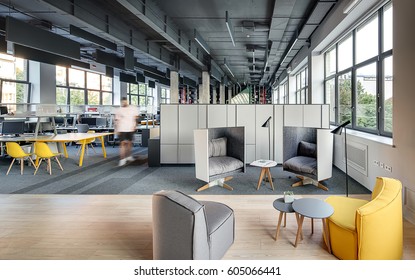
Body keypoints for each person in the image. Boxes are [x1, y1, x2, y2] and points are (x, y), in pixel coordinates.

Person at [114, 97, 139, 166]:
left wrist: (135, 126)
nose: (124, 103)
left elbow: (136, 118)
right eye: (122, 102)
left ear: (127, 101)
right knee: (122, 144)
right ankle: (122, 159)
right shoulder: (119, 110)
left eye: (125, 102)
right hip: (121, 129)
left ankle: (128, 156)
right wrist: (116, 130)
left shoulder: (133, 108)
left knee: (129, 143)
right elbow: (116, 120)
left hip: (130, 129)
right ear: (121, 102)